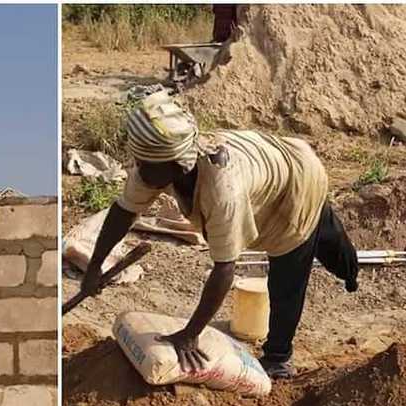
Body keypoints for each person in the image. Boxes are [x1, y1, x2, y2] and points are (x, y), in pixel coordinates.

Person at [81, 92, 359, 379]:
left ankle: (279, 357)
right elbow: (123, 212)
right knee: (324, 232)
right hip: (271, 160)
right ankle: (347, 265)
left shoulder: (223, 188)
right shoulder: (159, 165)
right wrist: (93, 267)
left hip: (296, 183)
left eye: (144, 163)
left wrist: (191, 334)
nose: (138, 168)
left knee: (288, 268)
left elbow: (225, 268)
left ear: (176, 165)